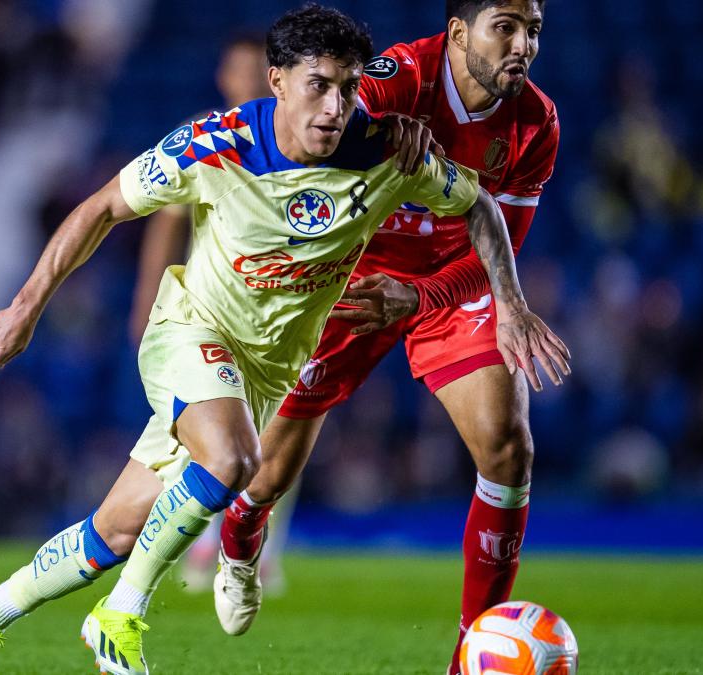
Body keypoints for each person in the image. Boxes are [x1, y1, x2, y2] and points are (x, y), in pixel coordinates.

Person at [0, 5, 565, 674]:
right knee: (232, 462)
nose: (335, 106)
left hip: (272, 364)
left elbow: (479, 205)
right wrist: (25, 306)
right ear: (276, 82)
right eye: (317, 86)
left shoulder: (391, 149)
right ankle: (121, 615)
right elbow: (101, 206)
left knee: (119, 528)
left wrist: (508, 302)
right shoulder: (215, 144)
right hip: (194, 331)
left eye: (347, 89)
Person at [210, 3, 566, 673]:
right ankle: (243, 525)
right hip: (354, 274)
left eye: (534, 30)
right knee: (271, 471)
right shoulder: (396, 77)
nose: (524, 45)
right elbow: (315, 132)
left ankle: (472, 652)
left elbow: (499, 250)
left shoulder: (535, 123)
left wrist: (445, 296)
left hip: (447, 287)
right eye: (507, 27)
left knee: (508, 444)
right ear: (460, 33)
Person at [126, 33, 295, 595]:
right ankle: (201, 543)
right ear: (225, 77)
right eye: (238, 68)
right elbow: (166, 221)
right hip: (211, 310)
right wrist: (147, 298)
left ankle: (259, 544)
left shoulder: (301, 135)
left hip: (280, 314)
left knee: (282, 427)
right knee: (214, 434)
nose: (247, 79)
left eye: (257, 68)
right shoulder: (205, 137)